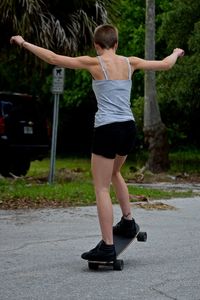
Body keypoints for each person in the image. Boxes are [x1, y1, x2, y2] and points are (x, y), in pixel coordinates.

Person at [10, 24, 184, 262]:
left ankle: (108, 246)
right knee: (115, 172)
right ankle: (128, 221)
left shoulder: (94, 63)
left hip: (107, 129)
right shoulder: (129, 62)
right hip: (128, 128)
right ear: (117, 44)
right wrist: (175, 52)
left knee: (101, 187)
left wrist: (23, 42)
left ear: (96, 45)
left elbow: (52, 58)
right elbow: (165, 64)